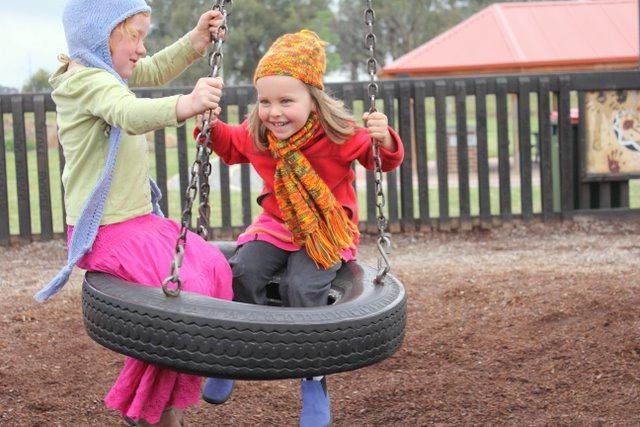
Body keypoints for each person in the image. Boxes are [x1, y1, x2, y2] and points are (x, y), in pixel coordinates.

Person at [34, 0, 233, 425]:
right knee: (180, 296)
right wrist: (188, 103)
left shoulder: (105, 75)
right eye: (134, 35)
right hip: (108, 230)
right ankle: (152, 412)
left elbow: (155, 70)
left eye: (144, 35)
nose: (142, 47)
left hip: (139, 222)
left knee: (212, 263)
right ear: (99, 37)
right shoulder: (86, 83)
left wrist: (197, 40)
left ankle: (212, 366)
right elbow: (131, 113)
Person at [195, 29, 404, 427]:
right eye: (265, 101)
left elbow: (383, 160)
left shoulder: (338, 135)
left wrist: (384, 139)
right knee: (243, 271)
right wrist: (210, 124)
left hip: (324, 230)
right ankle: (232, 357)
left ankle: (313, 377)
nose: (274, 112)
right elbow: (229, 144)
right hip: (275, 225)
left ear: (314, 99)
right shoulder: (260, 134)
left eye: (286, 101)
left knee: (302, 287)